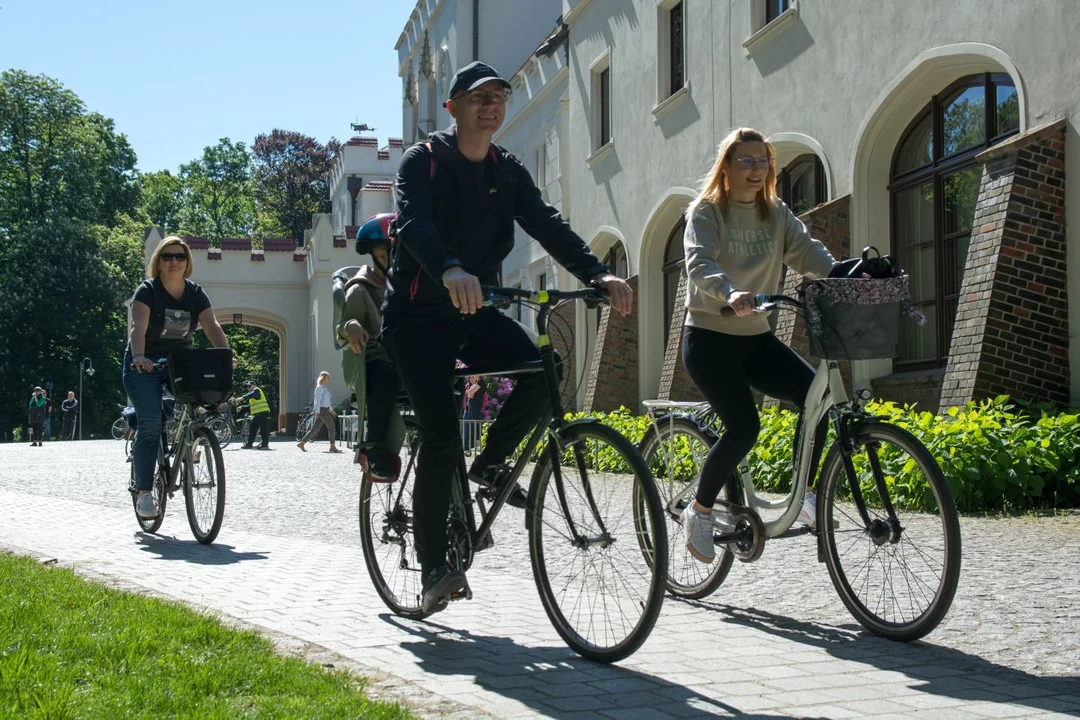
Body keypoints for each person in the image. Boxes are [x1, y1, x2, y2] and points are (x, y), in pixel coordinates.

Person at [382, 60, 633, 615]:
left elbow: (545, 222)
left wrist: (596, 273)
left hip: (472, 313)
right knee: (443, 438)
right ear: (453, 107)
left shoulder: (507, 170)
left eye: (498, 96)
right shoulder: (421, 163)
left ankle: (491, 466)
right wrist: (448, 268)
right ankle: (433, 569)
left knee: (542, 374)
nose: (490, 105)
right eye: (478, 98)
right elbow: (414, 223)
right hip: (418, 318)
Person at [679, 127, 838, 564]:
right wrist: (730, 292)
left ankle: (804, 496)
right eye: (745, 161)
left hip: (755, 339)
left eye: (763, 160)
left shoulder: (776, 212)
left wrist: (845, 274)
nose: (755, 169)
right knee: (744, 427)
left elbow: (809, 253)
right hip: (709, 339)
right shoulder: (707, 212)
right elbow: (700, 263)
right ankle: (700, 509)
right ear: (726, 168)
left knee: (816, 398)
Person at [124, 236, 232, 519]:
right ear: (158, 262)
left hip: (179, 363)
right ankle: (145, 493)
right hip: (143, 364)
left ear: (187, 264)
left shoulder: (195, 293)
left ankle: (191, 440)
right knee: (150, 425)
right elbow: (138, 327)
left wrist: (224, 354)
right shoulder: (147, 291)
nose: (174, 261)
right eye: (168, 256)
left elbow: (211, 324)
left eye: (180, 257)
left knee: (198, 404)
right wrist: (138, 357)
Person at [337, 213, 404, 481]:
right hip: (374, 359)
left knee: (450, 380)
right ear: (375, 255)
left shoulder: (407, 287)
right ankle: (374, 447)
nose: (389, 258)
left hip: (404, 358)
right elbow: (343, 325)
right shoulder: (360, 289)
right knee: (386, 378)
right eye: (383, 252)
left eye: (394, 252)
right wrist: (351, 325)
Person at [297, 371, 342, 453]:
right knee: (331, 427)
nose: (329, 380)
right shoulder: (320, 388)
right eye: (328, 378)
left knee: (315, 429)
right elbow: (317, 402)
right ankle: (332, 446)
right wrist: (317, 412)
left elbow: (326, 401)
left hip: (324, 410)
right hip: (322, 411)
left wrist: (331, 410)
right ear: (324, 378)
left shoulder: (324, 388)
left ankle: (302, 443)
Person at [237, 380, 272, 449]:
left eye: (249, 386)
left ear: (254, 385)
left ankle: (265, 445)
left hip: (263, 412)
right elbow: (251, 406)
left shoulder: (256, 390)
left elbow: (251, 394)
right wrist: (242, 407)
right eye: (247, 387)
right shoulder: (252, 394)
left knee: (263, 429)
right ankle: (249, 444)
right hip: (257, 414)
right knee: (253, 428)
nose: (248, 388)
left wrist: (242, 398)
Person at [462, 375, 486, 452]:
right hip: (472, 407)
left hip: (476, 407)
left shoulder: (481, 383)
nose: (472, 377)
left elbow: (470, 392)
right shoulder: (477, 383)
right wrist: (469, 393)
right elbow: (468, 392)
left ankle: (478, 445)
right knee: (472, 425)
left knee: (476, 425)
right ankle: (475, 445)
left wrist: (469, 393)